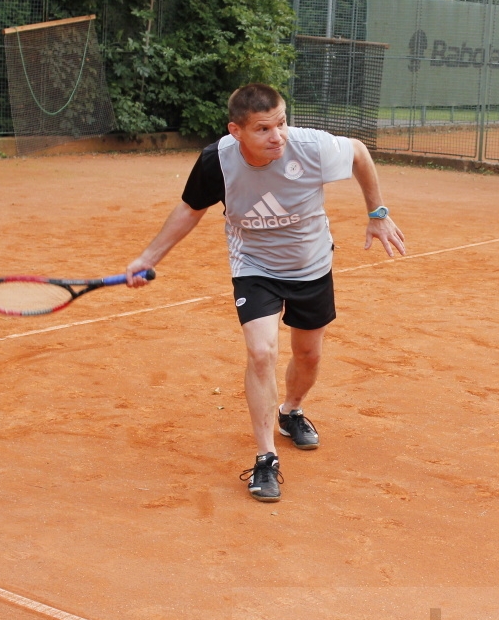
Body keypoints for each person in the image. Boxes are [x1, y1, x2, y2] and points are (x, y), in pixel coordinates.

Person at [124, 83, 406, 502]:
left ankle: (290, 410)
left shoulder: (312, 148)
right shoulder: (216, 161)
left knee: (308, 354)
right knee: (261, 352)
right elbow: (190, 210)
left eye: (282, 123)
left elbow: (361, 154)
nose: (278, 137)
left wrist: (377, 214)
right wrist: (148, 258)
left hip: (311, 264)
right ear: (236, 131)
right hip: (254, 267)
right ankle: (266, 458)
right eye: (263, 129)